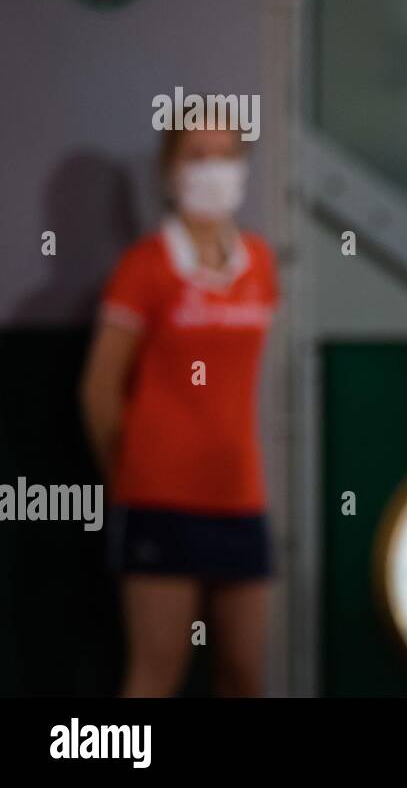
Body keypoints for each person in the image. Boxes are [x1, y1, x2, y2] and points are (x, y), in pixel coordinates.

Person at [80, 121, 279, 697]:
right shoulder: (144, 266)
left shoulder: (260, 262)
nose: (213, 168)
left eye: (225, 154)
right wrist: (132, 476)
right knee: (155, 676)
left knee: (244, 674)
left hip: (241, 497)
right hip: (159, 500)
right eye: (197, 155)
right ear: (170, 171)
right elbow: (98, 391)